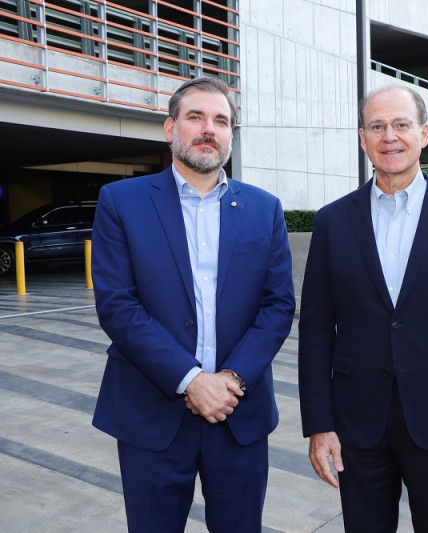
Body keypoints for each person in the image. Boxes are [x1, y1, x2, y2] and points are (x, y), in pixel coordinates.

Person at [91, 76, 295, 532]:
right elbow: (118, 305)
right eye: (196, 117)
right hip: (150, 418)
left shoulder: (265, 208)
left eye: (221, 121)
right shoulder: (121, 202)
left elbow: (278, 305)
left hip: (237, 413)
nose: (209, 129)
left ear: (231, 134)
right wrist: (190, 381)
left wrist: (229, 380)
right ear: (170, 128)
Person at [298, 85, 428, 532]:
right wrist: (319, 424)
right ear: (363, 138)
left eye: (401, 124)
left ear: (424, 133)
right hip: (356, 424)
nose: (390, 136)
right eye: (377, 126)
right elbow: (315, 329)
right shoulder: (333, 221)